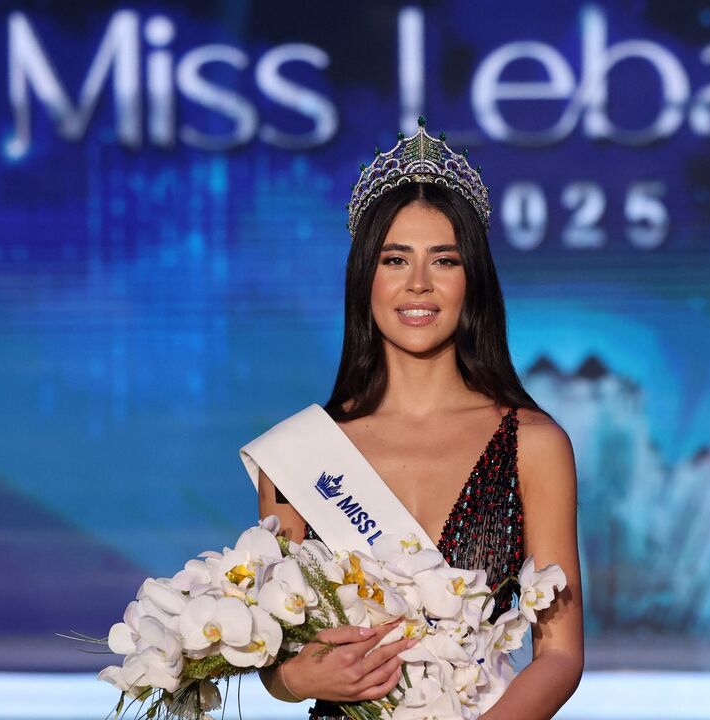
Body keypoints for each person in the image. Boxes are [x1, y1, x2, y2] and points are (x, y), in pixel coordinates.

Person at [250, 119, 584, 719]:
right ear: (365, 279)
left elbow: (560, 653)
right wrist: (296, 677)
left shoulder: (533, 444)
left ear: (472, 280)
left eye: (445, 261)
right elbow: (276, 653)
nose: (419, 285)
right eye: (395, 259)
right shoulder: (303, 454)